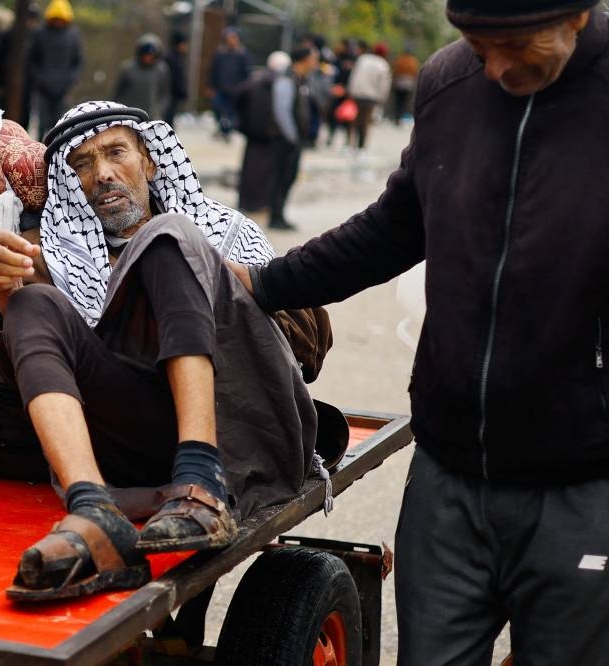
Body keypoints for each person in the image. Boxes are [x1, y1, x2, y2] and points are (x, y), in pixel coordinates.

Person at [229, 1, 609, 662]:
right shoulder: (449, 83)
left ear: (576, 15)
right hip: (449, 479)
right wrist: (265, 285)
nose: (491, 68)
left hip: (584, 485)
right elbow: (395, 226)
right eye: (475, 43)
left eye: (514, 44)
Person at [0, 101, 318, 602]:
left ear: (152, 161)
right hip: (133, 441)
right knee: (30, 301)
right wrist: (6, 293)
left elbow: (306, 349)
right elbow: (26, 372)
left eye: (117, 152)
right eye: (83, 164)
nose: (103, 174)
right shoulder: (52, 256)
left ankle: (201, 478)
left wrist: (209, 280)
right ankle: (93, 508)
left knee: (168, 238)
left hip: (237, 428)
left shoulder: (223, 232)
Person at [268, 46, 319, 230]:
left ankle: (279, 214)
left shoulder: (301, 80)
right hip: (285, 139)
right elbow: (282, 111)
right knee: (281, 177)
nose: (315, 63)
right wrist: (292, 137)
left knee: (289, 177)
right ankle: (275, 216)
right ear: (303, 59)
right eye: (314, 58)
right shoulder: (287, 79)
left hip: (295, 139)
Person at [234, 51, 288, 214]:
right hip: (269, 133)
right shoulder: (280, 82)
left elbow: (238, 98)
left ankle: (247, 202)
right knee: (266, 170)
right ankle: (261, 203)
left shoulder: (254, 80)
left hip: (252, 132)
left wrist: (243, 120)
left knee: (250, 168)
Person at [29, 0, 83, 138]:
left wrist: (70, 80)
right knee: (41, 123)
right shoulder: (40, 34)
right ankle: (39, 150)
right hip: (43, 87)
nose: (58, 22)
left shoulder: (73, 36)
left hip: (63, 88)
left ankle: (57, 151)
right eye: (56, 19)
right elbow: (33, 59)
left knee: (60, 124)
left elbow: (77, 61)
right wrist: (39, 79)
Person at [207, 26, 252, 141]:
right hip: (220, 89)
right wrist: (210, 86)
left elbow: (247, 73)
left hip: (236, 90)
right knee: (218, 109)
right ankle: (222, 128)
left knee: (232, 113)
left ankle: (227, 131)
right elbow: (213, 71)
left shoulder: (242, 55)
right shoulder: (220, 53)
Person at [113, 34, 172, 121]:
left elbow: (165, 94)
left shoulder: (161, 70)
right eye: (145, 55)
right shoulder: (128, 69)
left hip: (151, 116)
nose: (148, 58)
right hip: (129, 114)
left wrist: (159, 111)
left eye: (151, 55)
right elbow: (117, 93)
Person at [347, 41, 391, 151]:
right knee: (365, 122)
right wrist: (382, 97)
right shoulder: (383, 64)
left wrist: (351, 90)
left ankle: (350, 144)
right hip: (371, 96)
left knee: (355, 120)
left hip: (357, 93)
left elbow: (354, 75)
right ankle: (361, 146)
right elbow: (384, 84)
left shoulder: (363, 59)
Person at [163, 31, 189, 127]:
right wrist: (181, 91)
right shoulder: (171, 58)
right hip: (169, 95)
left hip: (173, 96)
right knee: (168, 120)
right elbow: (175, 78)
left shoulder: (177, 58)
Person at [391, 46, 420, 124]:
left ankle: (397, 117)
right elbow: (415, 73)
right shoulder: (413, 61)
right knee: (404, 101)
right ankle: (399, 117)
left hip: (399, 82)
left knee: (398, 101)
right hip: (408, 84)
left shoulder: (400, 60)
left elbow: (395, 71)